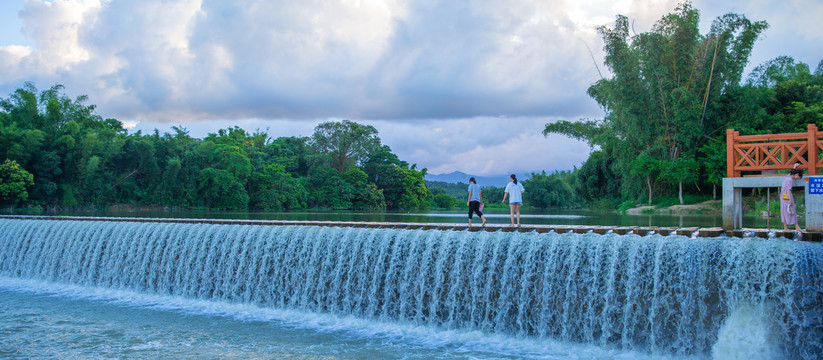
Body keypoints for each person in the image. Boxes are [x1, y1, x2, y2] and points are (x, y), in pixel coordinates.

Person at [781, 163, 803, 232]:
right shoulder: (790, 180)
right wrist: (790, 200)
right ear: (796, 174)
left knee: (784, 211)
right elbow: (788, 190)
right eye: (799, 177)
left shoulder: (787, 177)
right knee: (792, 211)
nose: (798, 178)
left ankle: (786, 227)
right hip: (787, 197)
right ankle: (797, 226)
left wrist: (794, 167)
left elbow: (790, 173)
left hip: (783, 197)